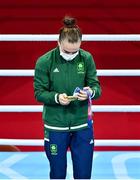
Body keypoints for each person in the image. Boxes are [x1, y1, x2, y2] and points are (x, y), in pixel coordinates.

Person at [34, 16, 101, 179]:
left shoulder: (86, 58)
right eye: (67, 51)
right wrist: (56, 97)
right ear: (58, 43)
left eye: (75, 51)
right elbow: (39, 92)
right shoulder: (44, 61)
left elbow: (96, 88)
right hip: (56, 125)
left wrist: (89, 92)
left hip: (82, 124)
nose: (71, 55)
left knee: (84, 175)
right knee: (57, 174)